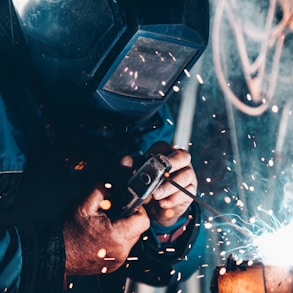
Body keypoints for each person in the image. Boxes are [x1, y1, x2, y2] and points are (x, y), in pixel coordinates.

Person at [0, 0, 210, 292]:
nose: (138, 77)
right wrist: (53, 254)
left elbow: (170, 272)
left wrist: (169, 221)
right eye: (135, 59)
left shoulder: (140, 104)